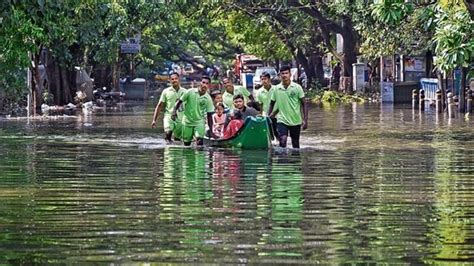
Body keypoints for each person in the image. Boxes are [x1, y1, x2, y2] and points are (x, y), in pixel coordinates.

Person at [268, 65, 308, 148]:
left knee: (295, 144)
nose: (284, 75)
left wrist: (305, 120)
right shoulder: (276, 89)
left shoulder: (297, 87)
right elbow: (272, 103)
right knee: (282, 141)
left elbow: (304, 104)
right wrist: (269, 118)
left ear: (290, 74)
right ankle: (283, 160)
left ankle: (295, 160)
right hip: (282, 120)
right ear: (280, 75)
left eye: (286, 73)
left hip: (296, 120)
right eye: (282, 73)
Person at [171, 76, 215, 146]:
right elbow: (179, 101)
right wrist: (174, 112)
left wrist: (211, 130)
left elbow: (209, 115)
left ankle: (199, 156)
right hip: (187, 122)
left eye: (207, 83)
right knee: (187, 144)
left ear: (209, 85)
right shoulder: (190, 92)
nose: (204, 85)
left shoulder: (208, 98)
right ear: (200, 83)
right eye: (203, 82)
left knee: (200, 141)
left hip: (199, 122)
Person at [151, 72, 186, 143]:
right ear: (169, 81)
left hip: (181, 119)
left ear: (179, 79)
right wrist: (154, 120)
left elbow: (190, 106)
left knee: (177, 139)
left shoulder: (185, 92)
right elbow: (159, 105)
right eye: (172, 79)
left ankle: (175, 152)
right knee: (168, 133)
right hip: (169, 117)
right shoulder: (166, 91)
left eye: (176, 78)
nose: (174, 80)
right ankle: (168, 151)